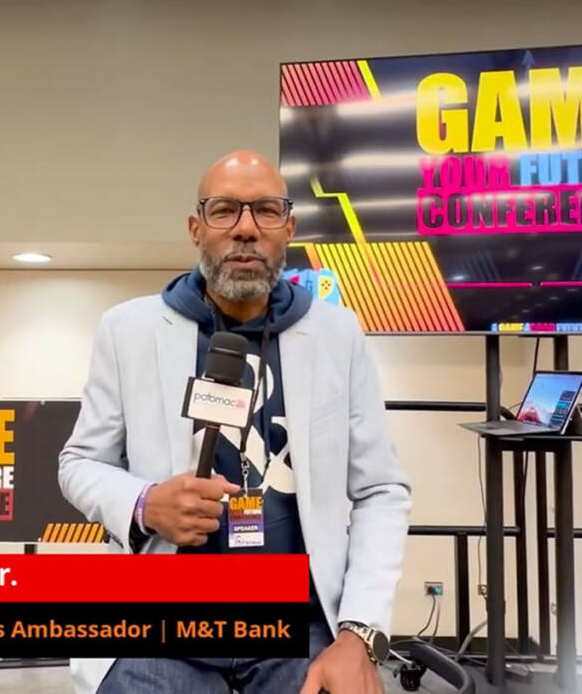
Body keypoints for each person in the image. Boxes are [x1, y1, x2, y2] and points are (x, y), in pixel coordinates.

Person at [58, 150, 411, 694]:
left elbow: (381, 490)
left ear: (288, 229)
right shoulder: (128, 330)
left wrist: (358, 633)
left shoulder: (338, 335)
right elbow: (79, 463)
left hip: (300, 619)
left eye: (266, 210)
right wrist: (144, 503)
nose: (246, 228)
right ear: (196, 229)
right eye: (225, 210)